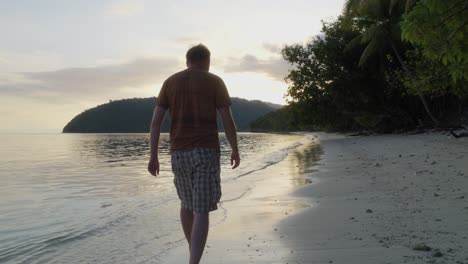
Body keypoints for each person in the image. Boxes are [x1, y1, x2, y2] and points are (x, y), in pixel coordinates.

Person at [147, 44, 240, 264]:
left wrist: (153, 156)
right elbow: (227, 119)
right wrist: (235, 148)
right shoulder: (215, 81)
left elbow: (155, 124)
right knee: (201, 210)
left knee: (187, 206)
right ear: (207, 61)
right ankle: (194, 261)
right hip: (206, 151)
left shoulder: (170, 83)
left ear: (187, 60)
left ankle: (193, 256)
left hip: (179, 153)